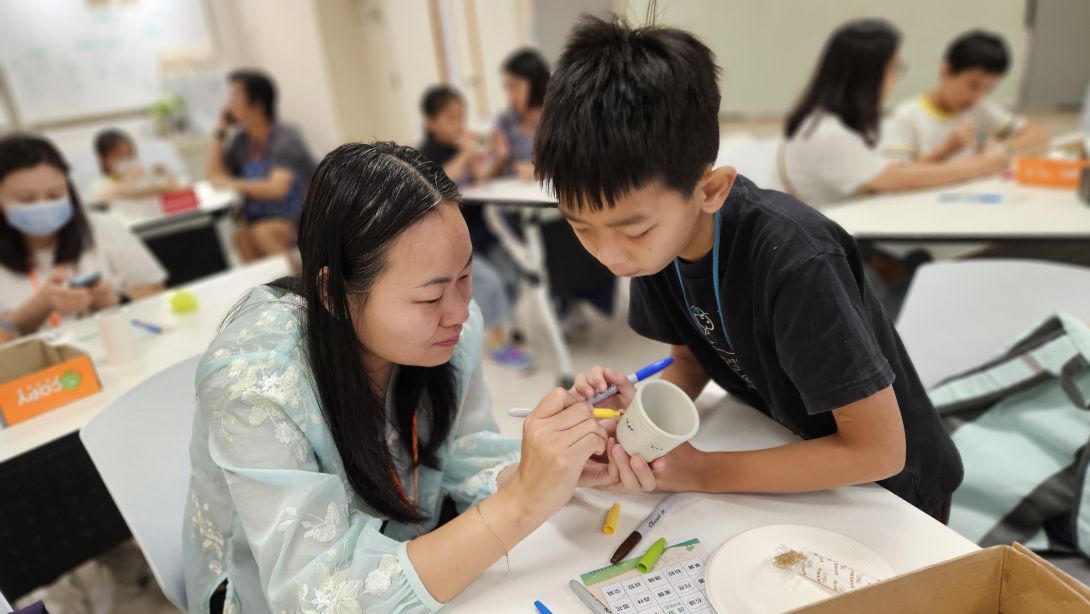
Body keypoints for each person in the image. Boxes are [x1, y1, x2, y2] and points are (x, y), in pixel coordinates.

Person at [533, 17, 963, 521]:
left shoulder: (796, 260)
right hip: (790, 451)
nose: (611, 256)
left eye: (634, 230)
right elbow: (692, 356)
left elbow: (879, 451)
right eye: (582, 228)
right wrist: (640, 420)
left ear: (710, 190)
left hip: (895, 496)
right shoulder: (658, 241)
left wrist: (699, 471)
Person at [183, 142, 618, 613]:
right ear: (333, 293)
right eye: (430, 298)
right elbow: (320, 594)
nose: (459, 312)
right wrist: (523, 502)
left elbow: (461, 453)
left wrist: (556, 467)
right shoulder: (256, 383)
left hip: (405, 544)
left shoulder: (450, 333)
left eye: (466, 276)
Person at [774, 19, 1009, 208]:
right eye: (895, 69)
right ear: (870, 75)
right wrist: (984, 164)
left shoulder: (827, 119)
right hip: (832, 241)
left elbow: (895, 172)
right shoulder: (829, 133)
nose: (895, 78)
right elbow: (900, 179)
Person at [0, 134, 166, 334]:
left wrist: (114, 302)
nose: (43, 205)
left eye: (55, 195)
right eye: (26, 199)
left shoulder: (104, 229)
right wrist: (37, 308)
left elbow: (156, 292)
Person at [418, 85, 533, 372]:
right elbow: (434, 186)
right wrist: (466, 156)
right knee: (490, 283)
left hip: (481, 233)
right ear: (431, 121)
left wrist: (500, 158)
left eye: (461, 116)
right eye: (450, 117)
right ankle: (498, 344)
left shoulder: (461, 148)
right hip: (452, 242)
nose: (459, 124)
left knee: (513, 272)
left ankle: (494, 325)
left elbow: (480, 180)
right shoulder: (423, 156)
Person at [881, 30, 1050, 163]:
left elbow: (1039, 134)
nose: (978, 96)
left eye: (988, 89)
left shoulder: (980, 109)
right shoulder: (907, 116)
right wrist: (945, 150)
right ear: (946, 71)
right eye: (972, 85)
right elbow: (897, 176)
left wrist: (1004, 147)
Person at [206, 69, 317, 262]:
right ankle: (276, 281)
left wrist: (232, 183)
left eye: (236, 95)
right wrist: (220, 132)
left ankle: (303, 278)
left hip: (303, 217)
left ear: (257, 102)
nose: (230, 104)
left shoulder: (285, 137)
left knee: (262, 233)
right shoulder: (242, 141)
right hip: (263, 220)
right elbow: (214, 175)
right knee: (242, 238)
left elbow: (276, 189)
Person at [485, 49, 550, 181]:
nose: (510, 95)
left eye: (515, 86)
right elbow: (487, 177)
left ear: (535, 83)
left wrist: (542, 173)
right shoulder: (506, 122)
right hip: (514, 191)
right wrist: (499, 160)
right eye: (507, 88)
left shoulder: (558, 119)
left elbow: (579, 168)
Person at [89, 128, 177, 203]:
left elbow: (172, 189)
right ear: (103, 160)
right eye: (120, 157)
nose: (128, 162)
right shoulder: (101, 184)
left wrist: (165, 173)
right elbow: (101, 198)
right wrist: (128, 182)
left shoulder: (144, 178)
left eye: (130, 156)